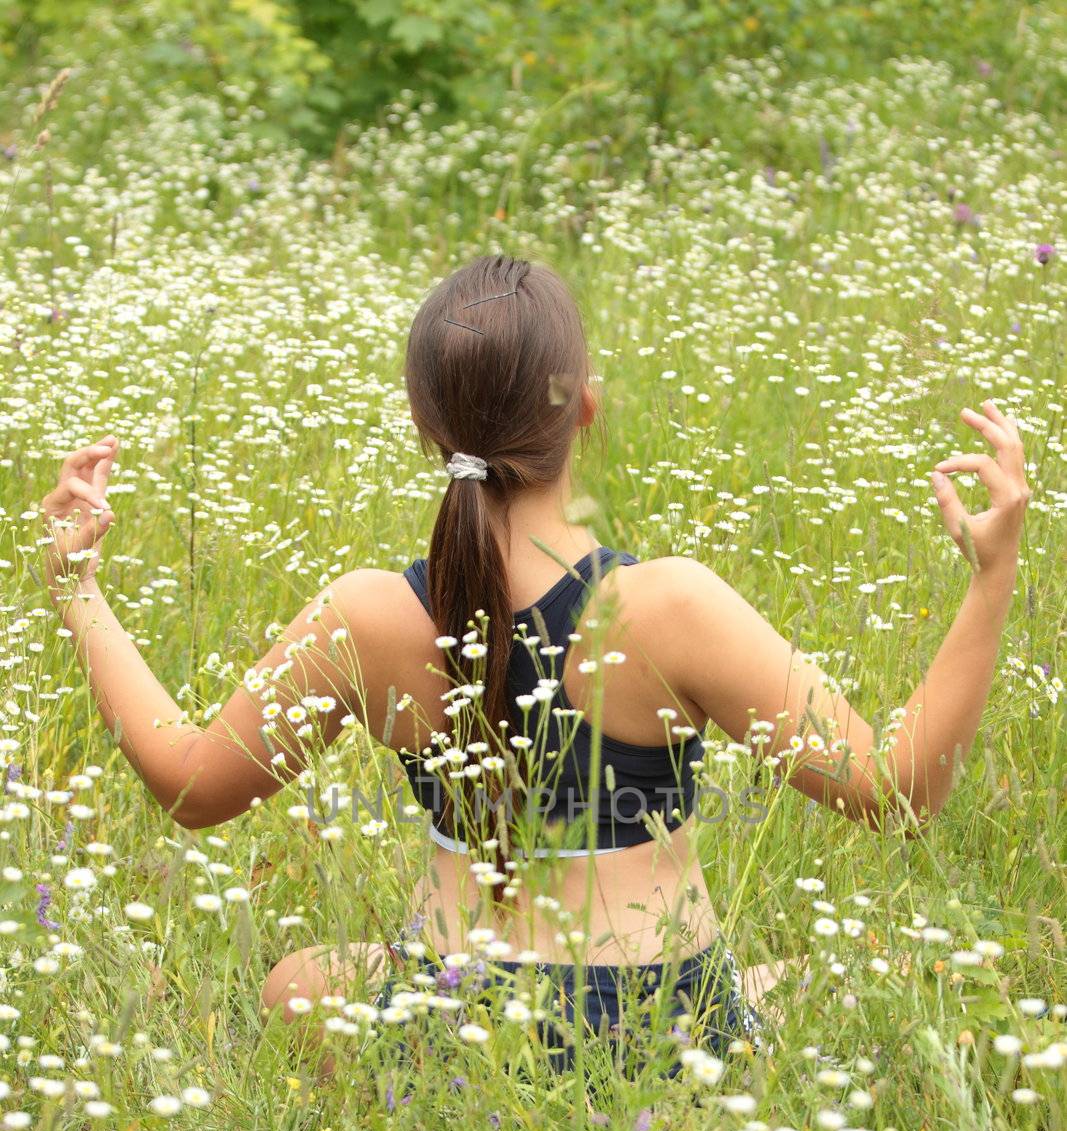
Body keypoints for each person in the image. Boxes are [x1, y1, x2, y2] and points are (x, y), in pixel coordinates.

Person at [39, 253, 1030, 1076]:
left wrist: (80, 589)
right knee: (866, 970)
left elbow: (187, 784)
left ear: (425, 427)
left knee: (298, 982)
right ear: (584, 408)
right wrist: (988, 578)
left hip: (456, 1014)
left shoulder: (367, 616)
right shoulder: (666, 606)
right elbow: (894, 796)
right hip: (655, 1021)